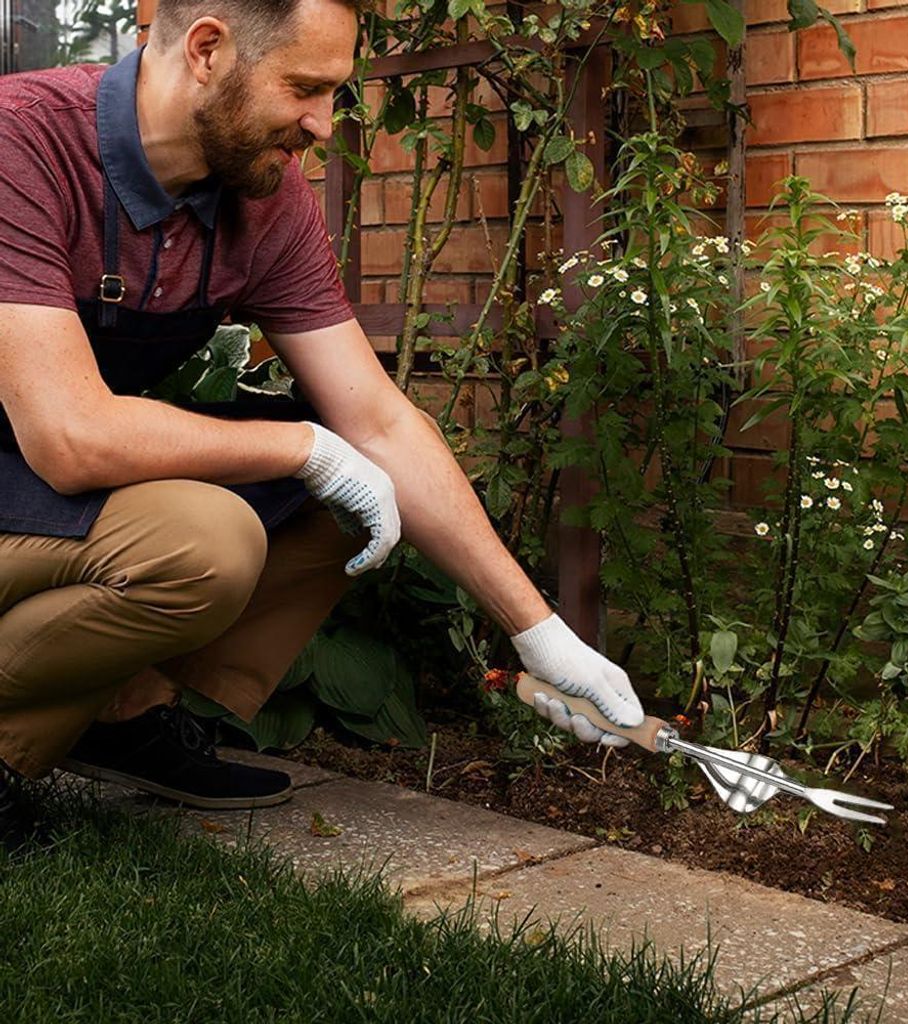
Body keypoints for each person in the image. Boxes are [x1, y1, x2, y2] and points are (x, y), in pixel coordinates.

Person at [0, 0, 643, 852]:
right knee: (207, 541)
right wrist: (304, 446)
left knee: (353, 499)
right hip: (44, 456)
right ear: (206, 50)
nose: (323, 123)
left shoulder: (263, 200)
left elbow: (375, 420)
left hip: (43, 484)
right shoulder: (24, 143)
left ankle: (125, 714)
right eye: (305, 88)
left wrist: (541, 633)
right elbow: (71, 435)